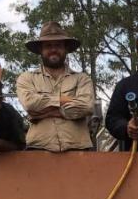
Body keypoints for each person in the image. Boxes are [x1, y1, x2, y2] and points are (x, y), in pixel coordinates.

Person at [16, 22, 96, 151]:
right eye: (48, 46)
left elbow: (86, 106)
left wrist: (42, 113)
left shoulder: (82, 78)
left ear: (65, 49)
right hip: (38, 148)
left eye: (58, 45)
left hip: (79, 148)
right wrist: (64, 100)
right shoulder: (26, 78)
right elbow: (30, 104)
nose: (53, 49)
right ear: (41, 50)